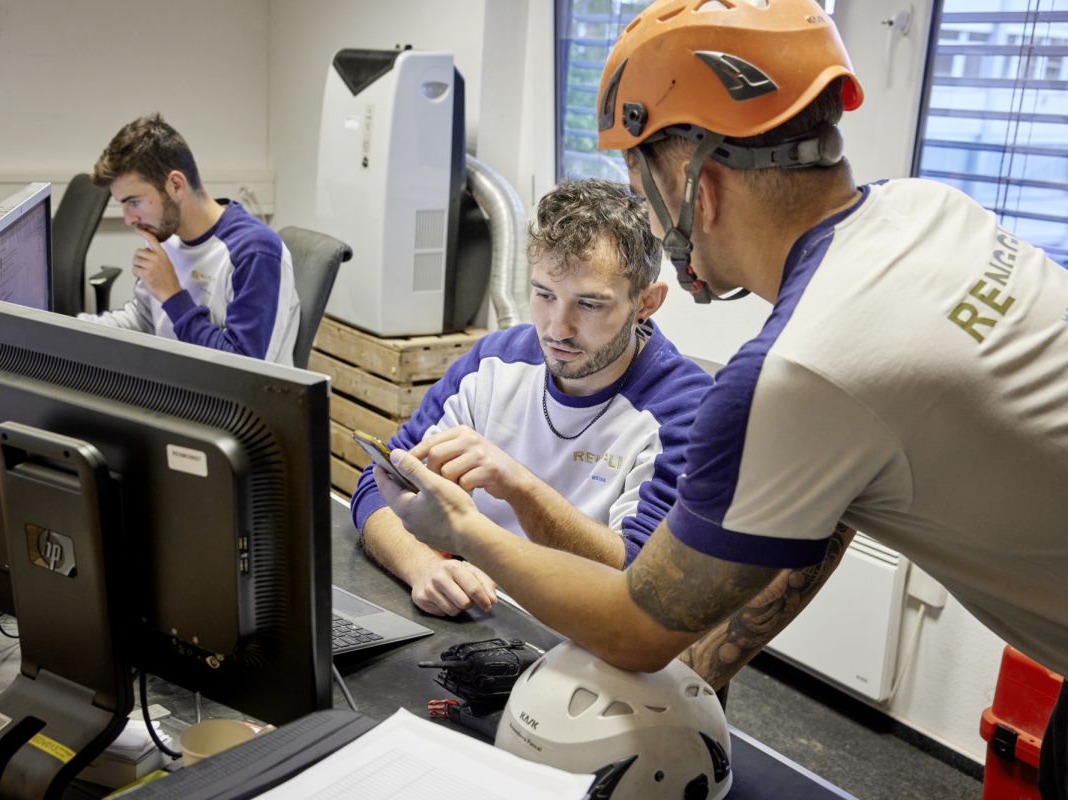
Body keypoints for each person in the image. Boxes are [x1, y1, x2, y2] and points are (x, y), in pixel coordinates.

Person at [370, 2, 1068, 796]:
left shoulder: (801, 369)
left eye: (640, 176)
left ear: (693, 185)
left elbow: (636, 627)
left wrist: (463, 527)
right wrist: (696, 685)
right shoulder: (929, 210)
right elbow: (829, 513)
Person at [352, 179, 712, 617]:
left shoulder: (685, 410)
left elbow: (639, 579)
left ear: (646, 303)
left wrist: (520, 487)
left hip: (587, 639)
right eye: (544, 295)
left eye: (590, 305)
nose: (557, 329)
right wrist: (424, 567)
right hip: (480, 619)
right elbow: (379, 483)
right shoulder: (494, 361)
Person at [81, 114, 299, 364]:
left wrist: (173, 296)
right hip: (177, 389)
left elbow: (245, 371)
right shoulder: (163, 236)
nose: (129, 218)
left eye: (134, 202)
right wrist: (70, 330)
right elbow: (145, 320)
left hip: (228, 401)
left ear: (175, 185)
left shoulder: (255, 251)